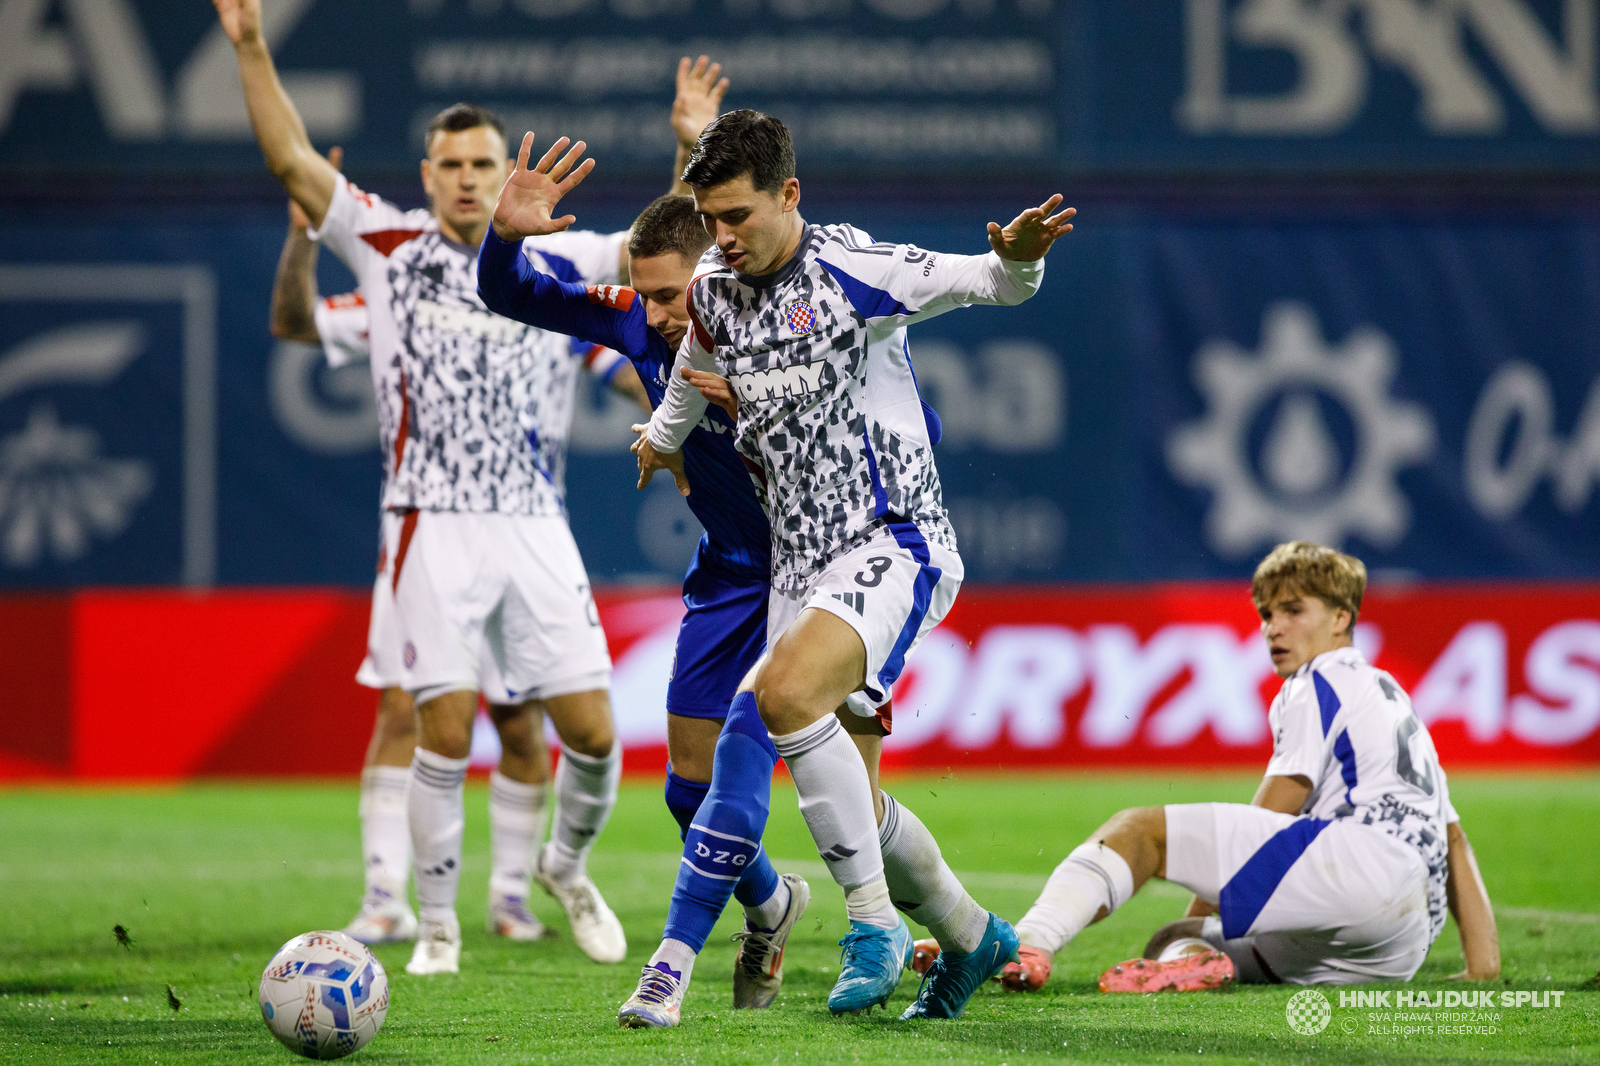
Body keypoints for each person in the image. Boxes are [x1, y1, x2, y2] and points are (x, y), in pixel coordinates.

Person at [214, 0, 636, 975]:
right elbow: (290, 161)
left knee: (594, 732)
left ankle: (564, 870)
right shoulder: (388, 247)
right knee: (436, 727)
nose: (466, 179)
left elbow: (661, 251)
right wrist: (252, 47)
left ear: (503, 173)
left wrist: (691, 147)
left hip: (535, 520)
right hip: (429, 523)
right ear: (425, 177)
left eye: (483, 164)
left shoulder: (552, 257)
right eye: (450, 165)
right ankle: (435, 925)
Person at [633, 109, 1076, 1020]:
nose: (722, 238)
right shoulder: (715, 283)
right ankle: (973, 937)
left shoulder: (857, 270)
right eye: (711, 218)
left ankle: (871, 926)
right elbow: (690, 366)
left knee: (776, 702)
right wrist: (662, 435)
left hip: (892, 539)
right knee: (854, 804)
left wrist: (1023, 255)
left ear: (789, 195)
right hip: (798, 566)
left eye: (739, 216)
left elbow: (993, 282)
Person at [480, 147, 815, 1026]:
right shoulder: (635, 319)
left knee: (752, 759)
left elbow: (907, 419)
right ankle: (774, 904)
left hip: (822, 568)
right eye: (647, 296)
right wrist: (502, 240)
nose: (658, 316)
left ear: (711, 268)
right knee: (685, 791)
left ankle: (674, 965)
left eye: (671, 296)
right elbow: (512, 293)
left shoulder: (789, 314)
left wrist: (760, 406)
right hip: (733, 578)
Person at [1000, 541, 1500, 991]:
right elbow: (1454, 839)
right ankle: (1191, 962)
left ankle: (1025, 941)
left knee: (1137, 831)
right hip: (1400, 943)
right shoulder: (1395, 702)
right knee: (1176, 936)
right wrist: (1483, 967)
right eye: (1266, 614)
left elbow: (1285, 796)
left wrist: (1211, 882)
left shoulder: (1316, 679)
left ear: (1341, 618)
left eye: (1293, 610)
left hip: (1357, 867)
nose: (1273, 628)